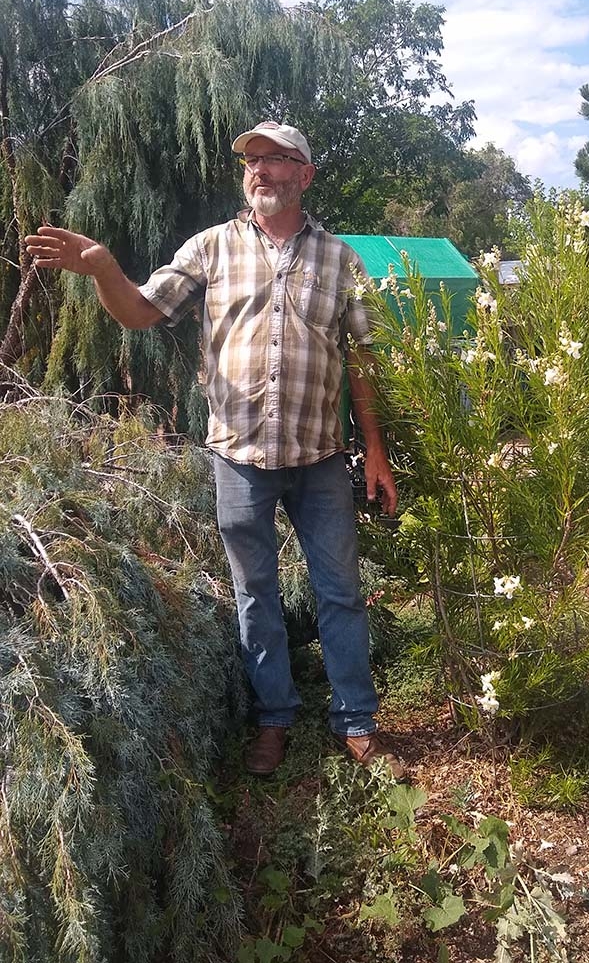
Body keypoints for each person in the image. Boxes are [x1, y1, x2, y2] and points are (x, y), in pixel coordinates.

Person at [25, 121, 405, 780]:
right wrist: (105, 269)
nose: (261, 170)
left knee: (340, 592)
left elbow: (363, 359)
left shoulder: (341, 260)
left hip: (320, 459)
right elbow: (140, 312)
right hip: (238, 459)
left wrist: (374, 449)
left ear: (306, 175)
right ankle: (274, 717)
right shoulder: (211, 248)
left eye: (276, 159)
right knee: (255, 595)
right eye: (252, 161)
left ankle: (356, 721)